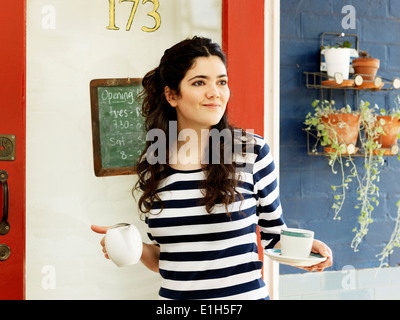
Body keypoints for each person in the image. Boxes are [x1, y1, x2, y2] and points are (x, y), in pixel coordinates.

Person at [91, 36, 332, 300]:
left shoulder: (251, 152)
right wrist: (131, 244)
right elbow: (165, 259)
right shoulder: (154, 165)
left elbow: (274, 236)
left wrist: (305, 249)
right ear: (172, 95)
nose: (215, 92)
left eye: (222, 81)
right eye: (199, 82)